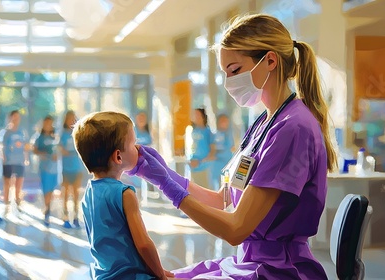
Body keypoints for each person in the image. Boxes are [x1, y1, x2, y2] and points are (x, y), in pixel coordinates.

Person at [128, 14, 337, 279]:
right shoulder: (264, 121)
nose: (229, 83)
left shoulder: (292, 128)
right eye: (225, 73)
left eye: (235, 70)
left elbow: (236, 229)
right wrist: (165, 175)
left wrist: (169, 189)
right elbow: (223, 199)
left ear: (270, 60)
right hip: (250, 260)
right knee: (168, 276)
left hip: (278, 269)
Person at [73, 111, 174, 280]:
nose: (138, 148)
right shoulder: (125, 194)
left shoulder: (88, 194)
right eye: (133, 143)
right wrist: (161, 274)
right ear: (118, 156)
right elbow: (143, 244)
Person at [0, 110, 28, 214]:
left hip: (19, 160)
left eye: (18, 117)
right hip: (8, 161)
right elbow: (2, 146)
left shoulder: (22, 131)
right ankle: (6, 203)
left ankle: (17, 201)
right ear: (10, 118)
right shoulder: (6, 132)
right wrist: (3, 157)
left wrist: (26, 157)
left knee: (19, 182)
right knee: (7, 183)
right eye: (14, 117)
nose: (16, 119)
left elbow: (25, 146)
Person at [33, 116, 59, 227]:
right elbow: (34, 150)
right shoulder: (39, 137)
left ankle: (48, 207)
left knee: (52, 188)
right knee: (46, 188)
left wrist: (57, 155)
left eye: (50, 123)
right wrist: (42, 153)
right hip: (44, 167)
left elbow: (58, 149)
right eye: (46, 123)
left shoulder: (55, 136)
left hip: (54, 167)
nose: (49, 125)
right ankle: (47, 209)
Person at [59, 110, 82, 229]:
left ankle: (76, 217)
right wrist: (65, 152)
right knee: (66, 192)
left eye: (73, 118)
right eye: (69, 118)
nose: (71, 121)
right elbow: (60, 148)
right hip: (66, 168)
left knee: (76, 193)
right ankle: (66, 217)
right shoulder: (62, 134)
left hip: (77, 167)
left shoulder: (79, 132)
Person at [188, 108, 215, 188]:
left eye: (197, 115)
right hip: (193, 168)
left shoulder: (208, 132)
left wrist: (200, 162)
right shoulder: (191, 131)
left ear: (203, 116)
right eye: (194, 115)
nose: (195, 117)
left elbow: (212, 153)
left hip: (204, 168)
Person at [211, 114, 235, 191]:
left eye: (225, 121)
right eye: (222, 121)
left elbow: (231, 147)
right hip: (216, 163)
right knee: (217, 184)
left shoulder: (230, 134)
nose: (224, 123)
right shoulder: (214, 134)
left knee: (226, 184)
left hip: (227, 162)